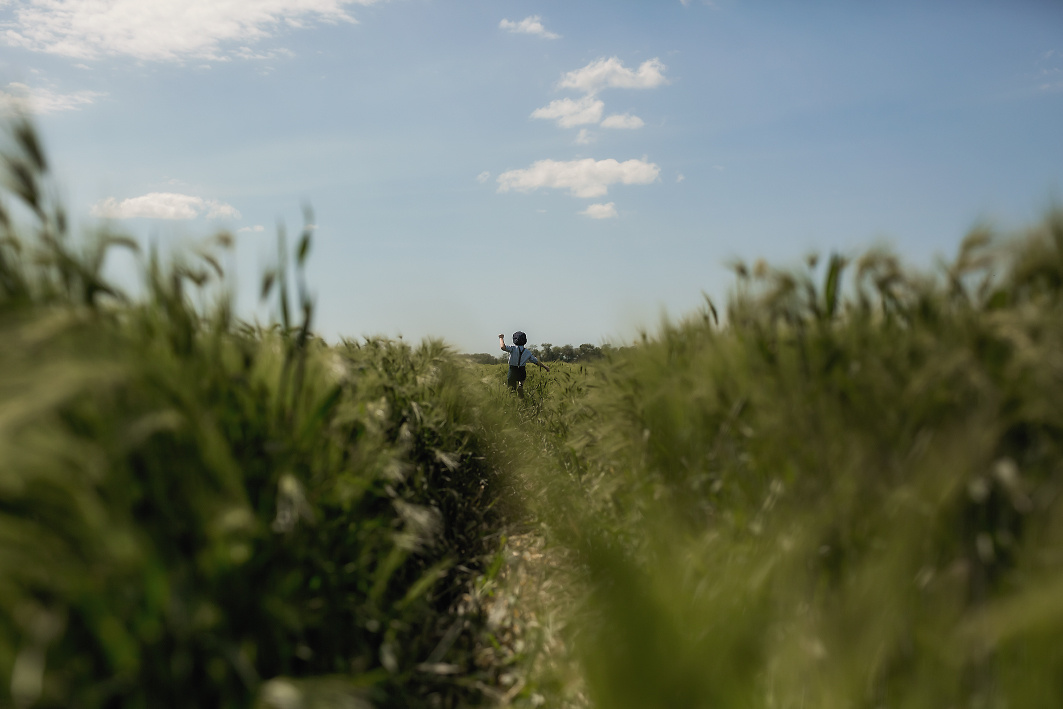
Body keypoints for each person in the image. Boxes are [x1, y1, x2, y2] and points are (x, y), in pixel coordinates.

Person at [499, 331, 549, 397]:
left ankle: (513, 401)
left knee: (511, 390)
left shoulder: (513, 348)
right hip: (521, 369)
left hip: (512, 370)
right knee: (522, 378)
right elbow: (536, 361)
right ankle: (520, 385)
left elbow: (503, 347)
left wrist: (501, 338)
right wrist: (545, 367)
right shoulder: (527, 352)